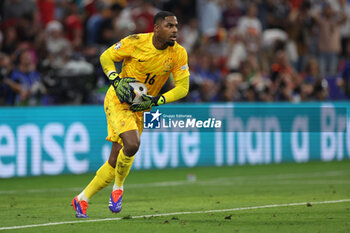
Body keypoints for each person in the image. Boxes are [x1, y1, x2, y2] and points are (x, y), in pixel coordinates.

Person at [71, 11, 190, 218]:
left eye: (176, 26)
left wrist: (157, 100)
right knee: (133, 144)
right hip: (118, 100)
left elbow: (183, 87)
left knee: (115, 160)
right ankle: (118, 190)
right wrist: (116, 80)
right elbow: (106, 57)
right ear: (156, 29)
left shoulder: (178, 53)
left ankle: (82, 199)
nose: (175, 30)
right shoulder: (135, 42)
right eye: (169, 26)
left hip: (141, 106)